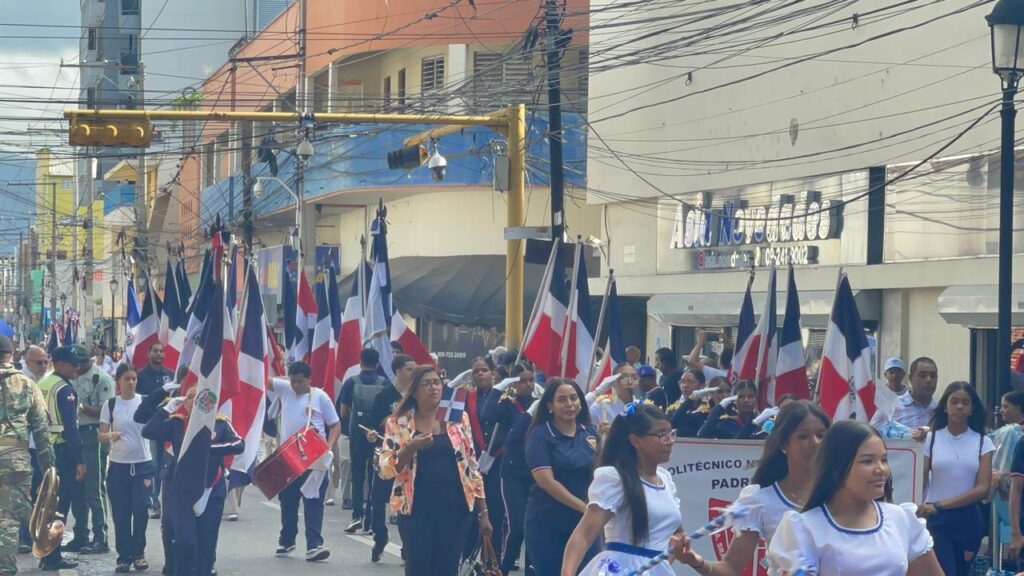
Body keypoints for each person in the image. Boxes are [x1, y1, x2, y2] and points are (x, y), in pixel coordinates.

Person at [763, 420, 940, 575]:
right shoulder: (805, 529)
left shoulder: (900, 518)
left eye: (884, 460)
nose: (880, 470)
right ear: (837, 467)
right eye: (867, 461)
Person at [680, 400, 830, 576]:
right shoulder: (760, 500)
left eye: (821, 435)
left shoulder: (843, 493)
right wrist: (696, 561)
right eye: (802, 436)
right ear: (782, 444)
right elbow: (731, 568)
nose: (815, 443)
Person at [378, 365, 490, 576]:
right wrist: (410, 447)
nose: (433, 388)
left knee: (447, 568)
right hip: (415, 509)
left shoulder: (458, 419)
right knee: (418, 567)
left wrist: (483, 512)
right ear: (415, 390)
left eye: (437, 382)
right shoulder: (398, 423)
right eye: (426, 383)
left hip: (455, 509)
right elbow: (385, 469)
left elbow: (472, 467)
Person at [562, 404, 685, 576]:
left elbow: (675, 538)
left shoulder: (665, 479)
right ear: (635, 440)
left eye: (671, 433)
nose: (669, 440)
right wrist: (567, 573)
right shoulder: (615, 478)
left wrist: (661, 563)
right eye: (661, 435)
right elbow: (584, 534)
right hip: (618, 569)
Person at [141, 385, 244, 576]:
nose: (194, 401)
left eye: (199, 398)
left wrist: (210, 448)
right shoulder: (177, 424)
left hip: (211, 490)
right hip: (183, 492)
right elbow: (148, 431)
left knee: (206, 544)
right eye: (189, 398)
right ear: (185, 404)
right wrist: (168, 408)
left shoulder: (219, 423)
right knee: (185, 541)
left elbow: (239, 444)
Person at [525, 378, 600, 576]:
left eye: (574, 398)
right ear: (550, 405)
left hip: (586, 525)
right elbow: (546, 482)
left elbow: (602, 472)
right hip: (548, 523)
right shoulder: (540, 435)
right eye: (562, 400)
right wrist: (584, 507)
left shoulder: (590, 433)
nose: (569, 404)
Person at [917, 382, 993, 576]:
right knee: (944, 571)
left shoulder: (983, 442)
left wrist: (941, 505)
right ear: (945, 406)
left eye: (965, 403)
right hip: (935, 519)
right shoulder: (930, 439)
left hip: (967, 520)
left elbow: (983, 488)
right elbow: (919, 478)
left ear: (972, 408)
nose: (959, 406)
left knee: (962, 572)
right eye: (954, 401)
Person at [269, 361, 340, 562]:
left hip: (314, 459)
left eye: (300, 381)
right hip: (288, 458)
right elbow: (261, 380)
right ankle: (287, 540)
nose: (296, 385)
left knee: (314, 501)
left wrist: (328, 445)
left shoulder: (321, 397)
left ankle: (314, 545)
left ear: (309, 379)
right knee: (287, 501)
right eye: (293, 381)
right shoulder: (285, 389)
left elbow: (334, 425)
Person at [0, 334, 57, 575]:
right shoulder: (28, 385)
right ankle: (7, 568)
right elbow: (42, 434)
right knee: (9, 517)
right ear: (12, 356)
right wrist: (50, 470)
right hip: (17, 460)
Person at [482, 363, 536, 574]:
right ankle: (504, 567)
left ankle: (532, 569)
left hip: (535, 470)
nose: (528, 384)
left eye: (531, 380)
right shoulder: (507, 405)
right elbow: (486, 414)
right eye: (522, 380)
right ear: (514, 383)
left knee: (533, 526)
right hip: (512, 471)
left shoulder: (538, 403)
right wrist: (499, 388)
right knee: (518, 526)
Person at [100, 364, 153, 573]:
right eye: (127, 379)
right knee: (121, 514)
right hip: (118, 466)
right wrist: (109, 436)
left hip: (142, 465)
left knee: (140, 509)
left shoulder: (144, 402)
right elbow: (101, 434)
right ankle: (124, 556)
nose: (131, 382)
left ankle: (139, 553)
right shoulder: (111, 404)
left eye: (133, 378)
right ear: (118, 382)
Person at [42, 345, 91, 571]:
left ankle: (44, 552)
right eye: (73, 364)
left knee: (44, 506)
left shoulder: (43, 384)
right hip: (63, 453)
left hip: (42, 451)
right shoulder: (65, 390)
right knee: (60, 507)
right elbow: (71, 429)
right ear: (60, 363)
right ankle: (53, 555)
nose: (77, 368)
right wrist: (79, 459)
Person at [366, 355, 415, 563]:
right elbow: (372, 425)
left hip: (410, 459)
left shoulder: (416, 395)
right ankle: (380, 535)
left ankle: (407, 545)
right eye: (409, 369)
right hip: (387, 457)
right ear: (397, 370)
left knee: (406, 502)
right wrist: (370, 435)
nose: (412, 373)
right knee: (378, 501)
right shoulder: (385, 395)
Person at [338, 348, 387, 535]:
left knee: (357, 476)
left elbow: (343, 412)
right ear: (377, 363)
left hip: (357, 435)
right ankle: (370, 521)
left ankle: (356, 516)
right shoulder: (384, 383)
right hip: (378, 435)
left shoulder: (351, 383)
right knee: (375, 476)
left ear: (360, 362)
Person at [71, 351, 115, 554]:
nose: (77, 366)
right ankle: (80, 535)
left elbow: (107, 409)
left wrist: (79, 406)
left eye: (81, 362)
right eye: (75, 363)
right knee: (76, 489)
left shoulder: (101, 379)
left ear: (89, 360)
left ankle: (100, 537)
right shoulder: (72, 376)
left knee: (94, 488)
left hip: (93, 434)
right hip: (76, 433)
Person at [136, 343, 175, 518]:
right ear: (148, 353)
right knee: (154, 465)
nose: (159, 354)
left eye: (161, 351)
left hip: (169, 427)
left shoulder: (170, 375)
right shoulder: (140, 376)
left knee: (167, 465)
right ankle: (154, 502)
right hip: (150, 427)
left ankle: (167, 502)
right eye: (155, 351)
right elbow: (140, 405)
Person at [588, 363, 638, 435]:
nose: (630, 382)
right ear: (613, 383)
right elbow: (579, 413)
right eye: (624, 378)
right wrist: (597, 392)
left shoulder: (644, 407)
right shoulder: (600, 406)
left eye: (634, 378)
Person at [891, 357, 938, 428]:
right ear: (910, 378)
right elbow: (871, 434)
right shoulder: (893, 406)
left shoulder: (940, 411)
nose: (929, 380)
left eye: (933, 376)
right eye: (922, 376)